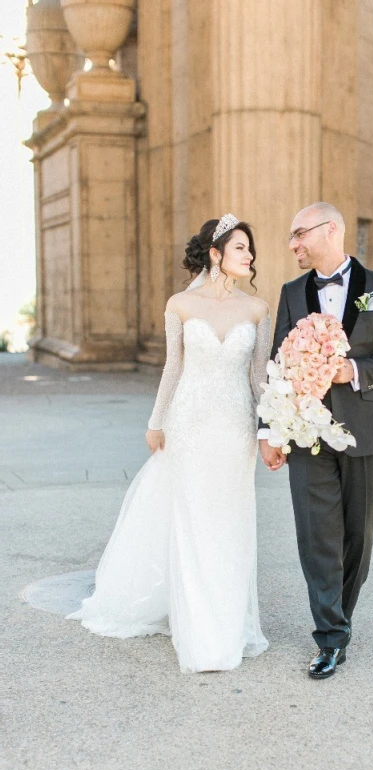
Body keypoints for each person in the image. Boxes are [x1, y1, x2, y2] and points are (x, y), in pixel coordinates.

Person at [68, 214, 270, 674]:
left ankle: (226, 618)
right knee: (192, 519)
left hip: (235, 426)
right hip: (189, 424)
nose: (250, 256)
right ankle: (199, 629)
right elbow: (173, 368)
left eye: (250, 250)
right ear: (215, 253)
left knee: (229, 519)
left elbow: (259, 377)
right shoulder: (179, 304)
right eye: (241, 248)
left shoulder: (258, 310)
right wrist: (156, 421)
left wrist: (274, 425)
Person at [259, 202, 373, 679]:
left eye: (299, 234)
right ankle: (329, 636)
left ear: (331, 230)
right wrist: (269, 431)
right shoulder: (290, 293)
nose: (293, 245)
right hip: (305, 435)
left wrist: (354, 370)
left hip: (364, 433)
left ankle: (340, 616)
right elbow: (277, 364)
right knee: (315, 536)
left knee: (357, 540)